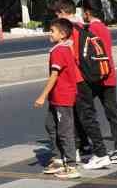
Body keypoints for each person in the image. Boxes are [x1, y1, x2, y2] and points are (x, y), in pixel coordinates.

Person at [53, 0, 109, 169]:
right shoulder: (80, 26)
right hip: (83, 78)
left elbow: (71, 56)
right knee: (80, 116)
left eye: (56, 13)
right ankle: (77, 150)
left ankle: (101, 154)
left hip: (78, 79)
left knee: (86, 117)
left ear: (62, 13)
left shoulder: (70, 29)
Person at [82, 0, 117, 164]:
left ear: (87, 12)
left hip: (95, 78)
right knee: (112, 114)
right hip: (109, 75)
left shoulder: (89, 30)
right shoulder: (104, 28)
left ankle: (87, 147)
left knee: (83, 109)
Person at [33, 17, 81, 179]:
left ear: (62, 34)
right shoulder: (64, 48)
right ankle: (59, 158)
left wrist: (42, 96)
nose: (49, 33)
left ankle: (71, 165)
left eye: (52, 30)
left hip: (62, 97)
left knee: (64, 131)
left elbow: (54, 76)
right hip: (57, 97)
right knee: (50, 126)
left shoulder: (59, 51)